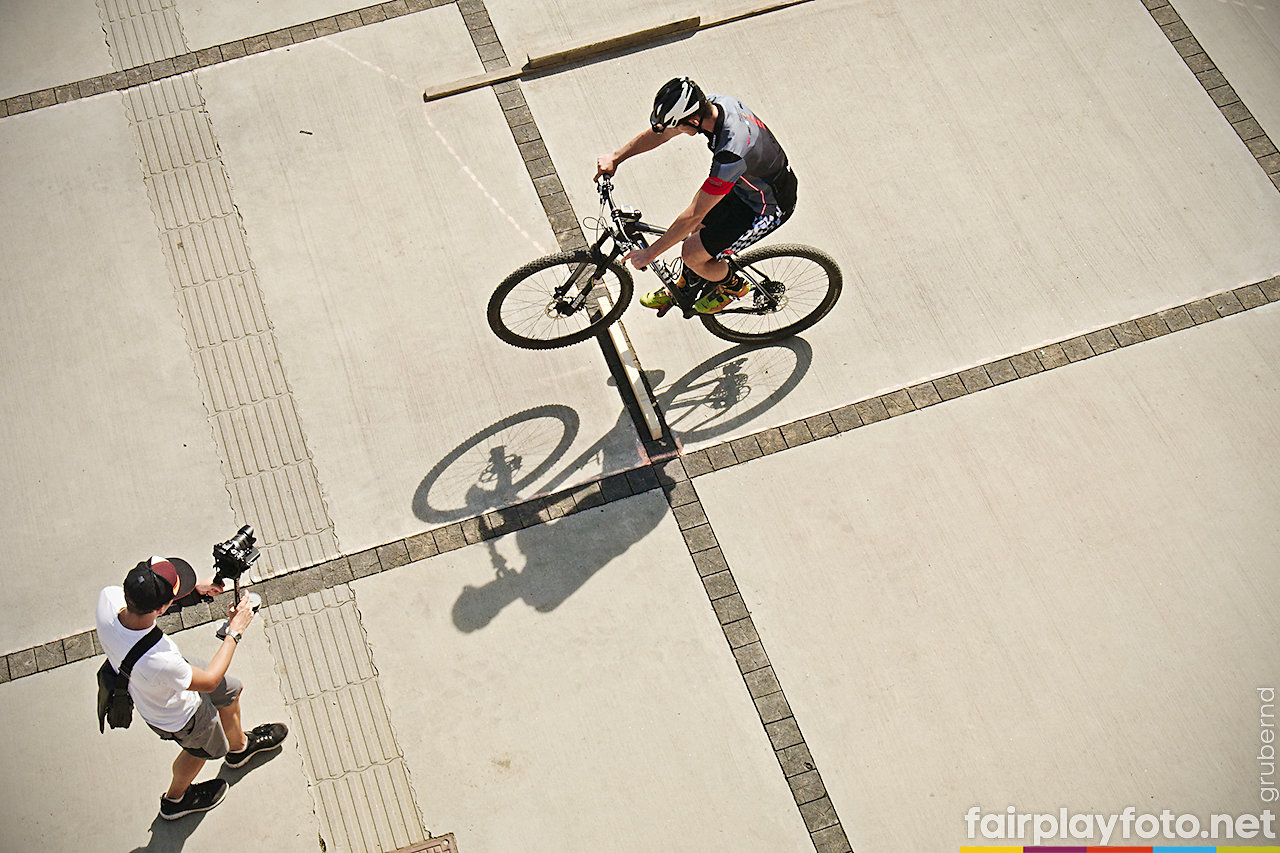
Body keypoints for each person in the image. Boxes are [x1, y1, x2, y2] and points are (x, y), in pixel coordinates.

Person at [95, 556, 288, 820]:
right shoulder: (161, 659)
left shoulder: (109, 599)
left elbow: (146, 608)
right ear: (161, 608)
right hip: (177, 713)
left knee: (231, 690)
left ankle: (240, 749)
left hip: (160, 679)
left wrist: (195, 592)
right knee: (202, 749)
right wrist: (235, 629)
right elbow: (207, 681)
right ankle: (175, 800)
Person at [595, 77, 798, 314]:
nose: (676, 130)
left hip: (768, 207)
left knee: (692, 254)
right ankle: (686, 285)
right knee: (697, 232)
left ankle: (733, 286)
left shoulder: (731, 153)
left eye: (678, 125)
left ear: (692, 120)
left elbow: (693, 213)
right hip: (747, 184)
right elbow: (661, 134)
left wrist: (649, 254)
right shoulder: (712, 104)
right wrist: (616, 157)